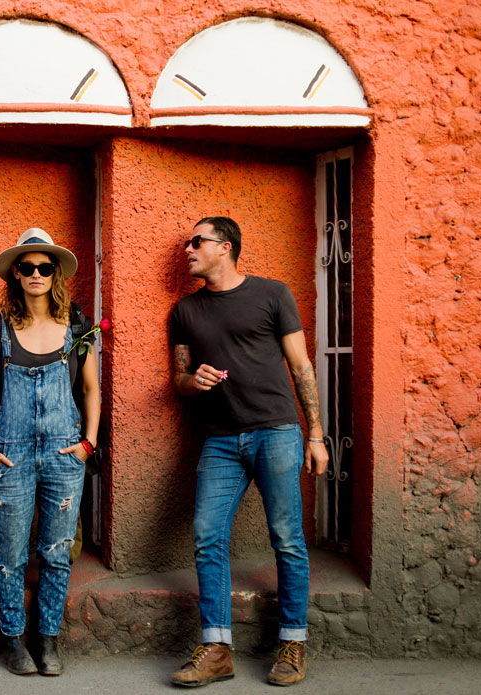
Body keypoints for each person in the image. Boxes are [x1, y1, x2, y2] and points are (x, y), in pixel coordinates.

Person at [167, 216, 329, 687]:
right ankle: (217, 648)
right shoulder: (185, 311)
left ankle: (293, 643)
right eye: (187, 243)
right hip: (220, 439)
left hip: (276, 431)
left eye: (197, 241)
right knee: (206, 534)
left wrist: (315, 434)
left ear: (226, 247)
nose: (188, 250)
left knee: (287, 538)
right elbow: (178, 380)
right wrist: (193, 383)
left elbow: (300, 366)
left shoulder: (273, 294)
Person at [0, 228, 100, 677]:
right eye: (26, 266)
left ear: (55, 274)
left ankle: (46, 639)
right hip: (10, 454)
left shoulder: (76, 327)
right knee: (10, 552)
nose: (35, 273)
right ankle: (13, 640)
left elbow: (91, 391)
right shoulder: (0, 326)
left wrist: (87, 443)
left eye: (44, 267)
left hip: (64, 453)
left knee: (57, 550)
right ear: (15, 273)